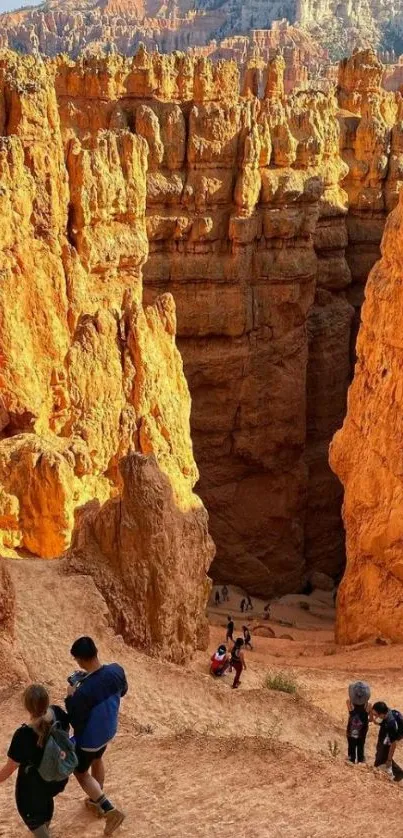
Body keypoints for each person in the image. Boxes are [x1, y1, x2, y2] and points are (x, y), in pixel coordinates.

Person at [65, 636, 128, 834]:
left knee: (80, 772)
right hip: (109, 730)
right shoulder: (116, 670)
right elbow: (123, 691)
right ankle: (95, 800)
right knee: (98, 759)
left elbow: (76, 721)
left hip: (90, 739)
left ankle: (108, 809)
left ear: (80, 660)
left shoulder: (83, 692)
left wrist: (70, 696)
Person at [0, 684, 70, 838]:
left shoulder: (23, 735)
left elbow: (10, 768)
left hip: (31, 790)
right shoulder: (58, 714)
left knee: (34, 818)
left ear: (26, 707)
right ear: (47, 701)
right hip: (54, 780)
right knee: (45, 807)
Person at [372, 701, 403, 781]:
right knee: (380, 750)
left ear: (381, 714)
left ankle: (398, 773)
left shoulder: (391, 724)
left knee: (383, 754)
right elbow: (380, 721)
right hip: (386, 729)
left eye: (376, 715)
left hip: (395, 733)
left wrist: (389, 760)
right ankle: (397, 772)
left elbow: (393, 744)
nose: (375, 717)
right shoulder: (386, 711)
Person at [346, 681, 371, 764]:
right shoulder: (368, 705)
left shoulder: (349, 703)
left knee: (351, 746)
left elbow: (348, 701)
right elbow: (370, 718)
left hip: (351, 730)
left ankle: (351, 760)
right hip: (362, 730)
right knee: (361, 745)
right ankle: (361, 760)